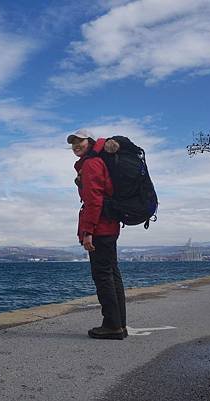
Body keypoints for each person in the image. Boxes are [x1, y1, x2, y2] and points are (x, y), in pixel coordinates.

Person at [68, 129, 127, 340]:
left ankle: (112, 325)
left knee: (102, 276)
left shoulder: (92, 164)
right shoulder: (98, 161)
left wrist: (88, 232)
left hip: (100, 228)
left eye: (80, 141)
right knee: (112, 274)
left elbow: (94, 200)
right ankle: (119, 324)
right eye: (73, 142)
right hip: (110, 226)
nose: (76, 145)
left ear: (90, 142)